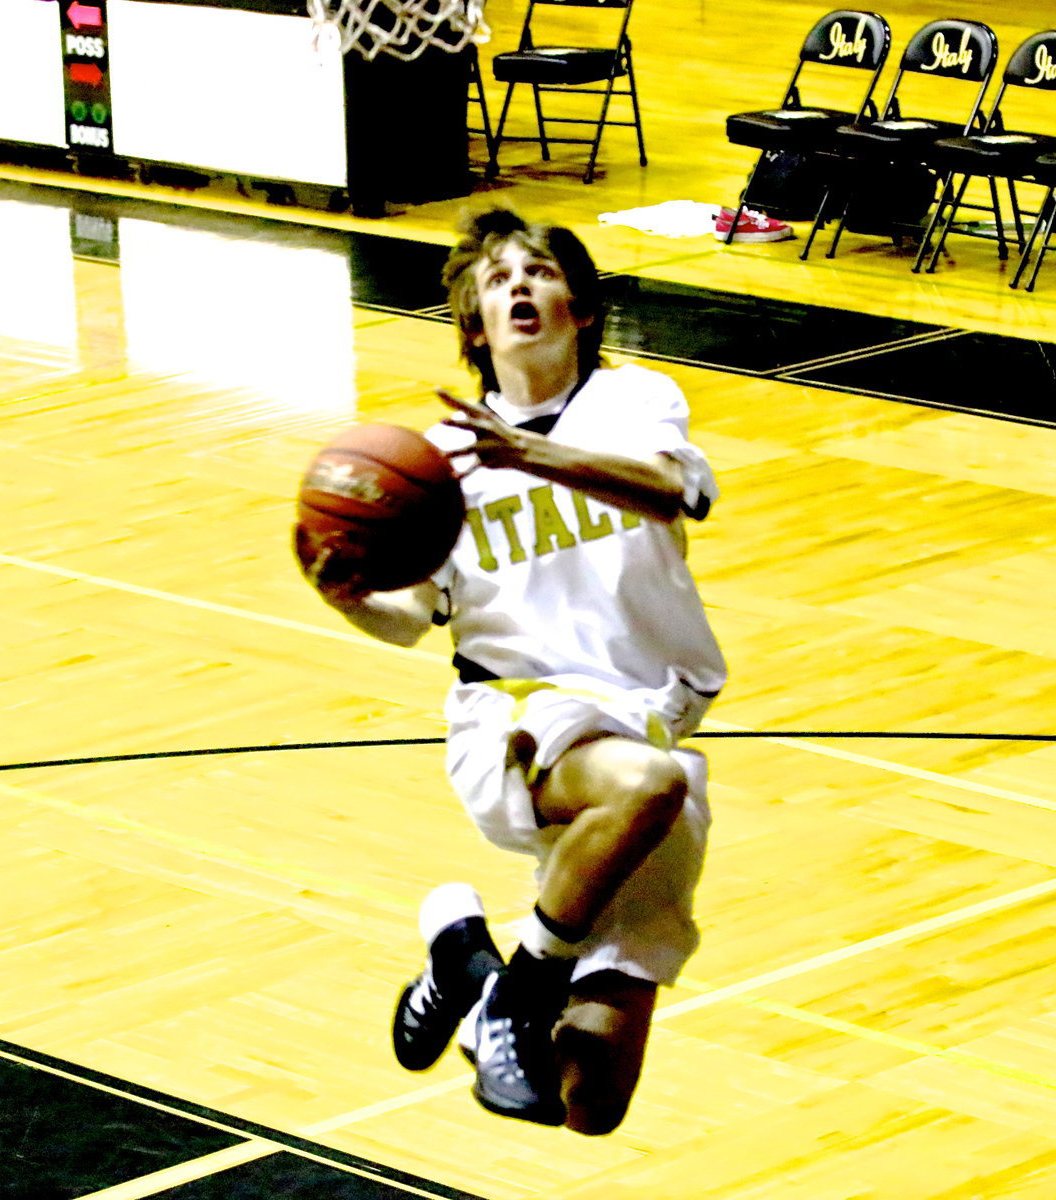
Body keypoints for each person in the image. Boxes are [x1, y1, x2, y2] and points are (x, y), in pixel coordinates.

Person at [301, 207, 726, 1136]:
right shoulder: (437, 459)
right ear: (474, 328)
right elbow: (412, 621)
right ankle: (514, 997)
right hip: (515, 718)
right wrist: (345, 597)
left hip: (648, 712)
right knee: (642, 786)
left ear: (579, 306)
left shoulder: (636, 402)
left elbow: (671, 491)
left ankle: (467, 956)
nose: (519, 287)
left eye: (537, 272)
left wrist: (533, 456)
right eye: (497, 281)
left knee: (590, 1102)